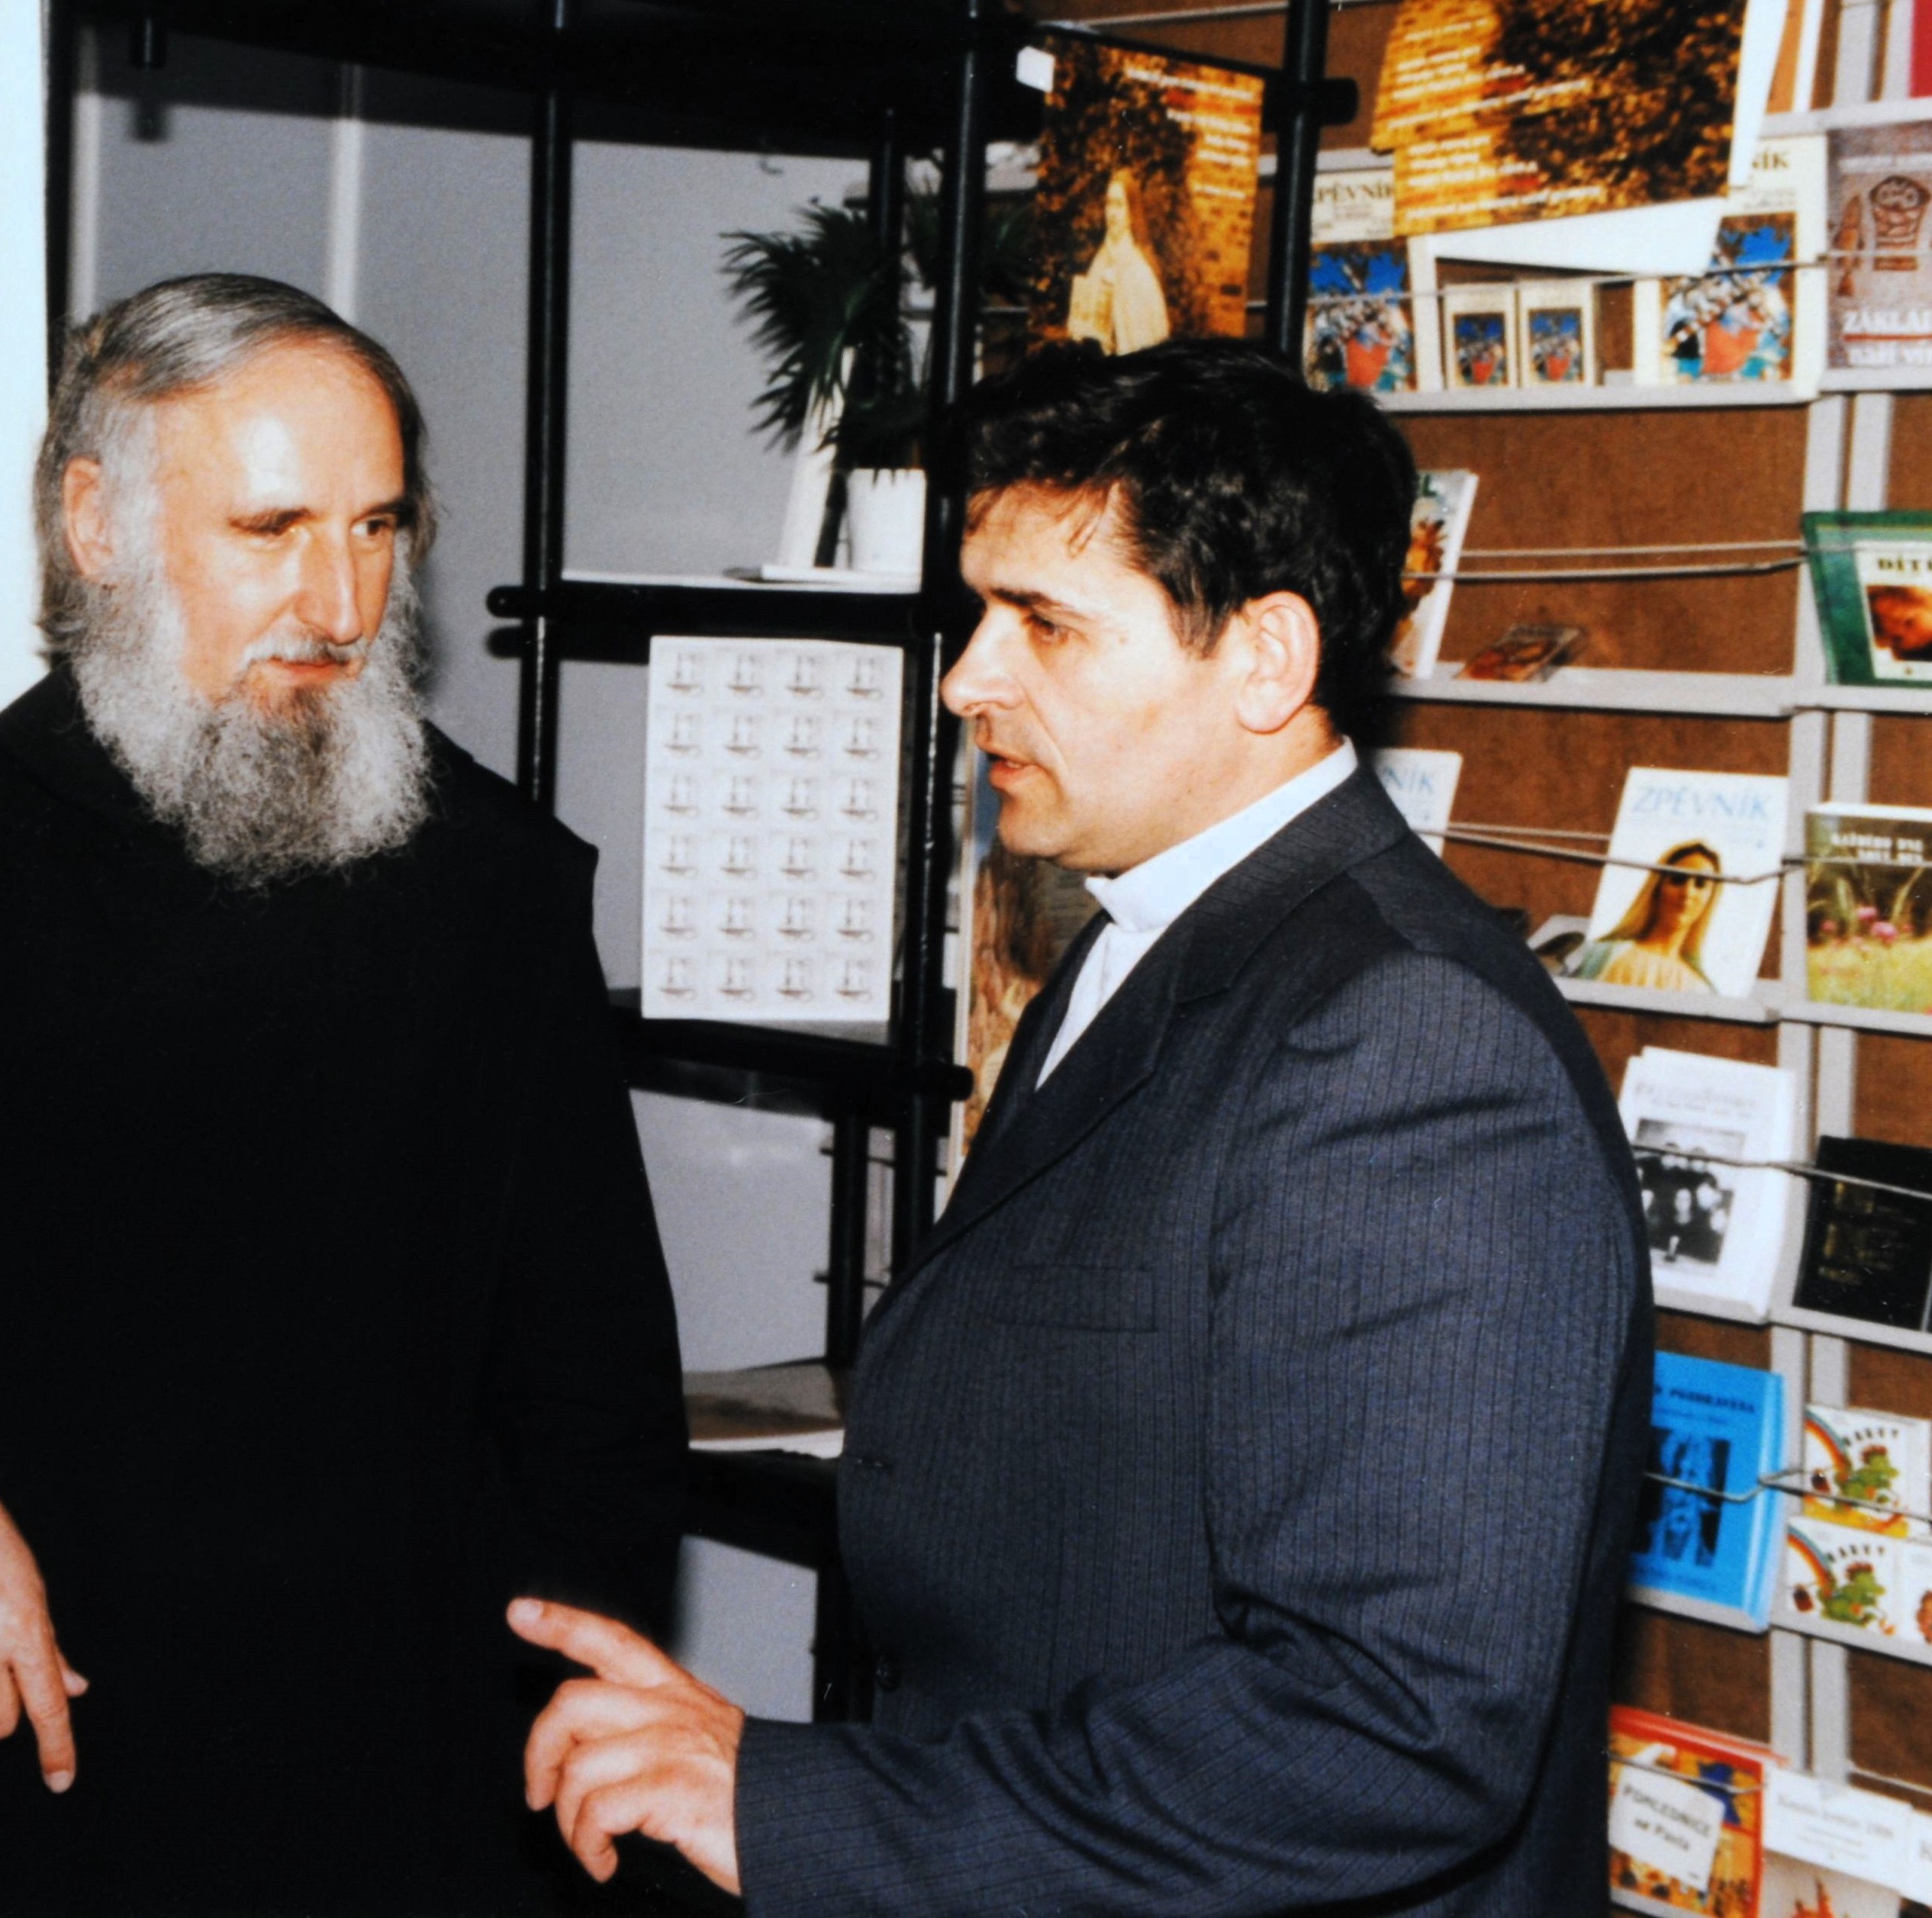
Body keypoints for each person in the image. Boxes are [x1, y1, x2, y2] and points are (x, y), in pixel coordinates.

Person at [509, 340, 1652, 1916]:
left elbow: (1389, 1726)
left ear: (1262, 658)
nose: (968, 677)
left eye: (1043, 621)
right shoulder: (1153, 937)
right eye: (981, 612)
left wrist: (790, 1801)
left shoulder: (1407, 1041)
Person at [0, 273, 687, 1916]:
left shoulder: (497, 894)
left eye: (376, 528)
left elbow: (595, 1397)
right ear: (98, 527)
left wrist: (558, 1728)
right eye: (271, 529)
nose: (339, 601)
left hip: (382, 1789)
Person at [1567, 841, 1723, 992]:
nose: (1687, 893)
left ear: (1711, 898)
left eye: (1700, 884)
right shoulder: (1597, 955)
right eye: (1678, 880)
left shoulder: (1702, 990)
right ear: (1657, 887)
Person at [1066, 171, 1170, 356]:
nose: (1112, 213)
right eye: (1109, 204)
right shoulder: (1100, 260)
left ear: (1131, 213)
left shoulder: (1139, 271)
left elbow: (1144, 341)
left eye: (1119, 205)